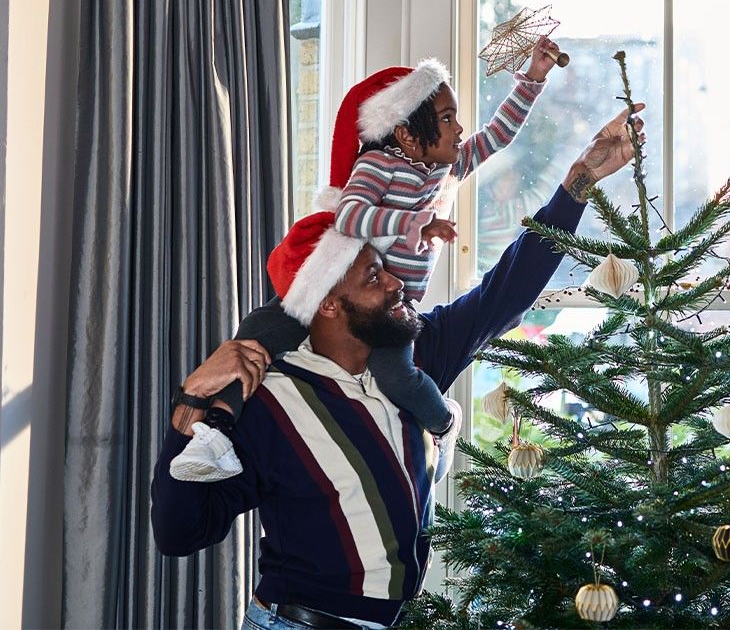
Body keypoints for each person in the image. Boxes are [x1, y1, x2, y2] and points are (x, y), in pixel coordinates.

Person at [152, 103, 646, 629]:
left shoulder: (419, 354)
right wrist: (190, 405)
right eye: (372, 278)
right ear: (327, 304)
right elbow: (180, 532)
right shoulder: (269, 400)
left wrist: (581, 179)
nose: (395, 284)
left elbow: (510, 288)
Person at [169, 39, 562, 483]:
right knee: (257, 335)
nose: (459, 128)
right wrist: (418, 225)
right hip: (337, 291)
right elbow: (351, 214)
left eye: (456, 118)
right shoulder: (379, 164)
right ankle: (213, 434)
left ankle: (444, 424)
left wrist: (533, 78)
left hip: (391, 311)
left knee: (398, 378)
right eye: (447, 119)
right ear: (407, 135)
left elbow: (497, 136)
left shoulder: (446, 168)